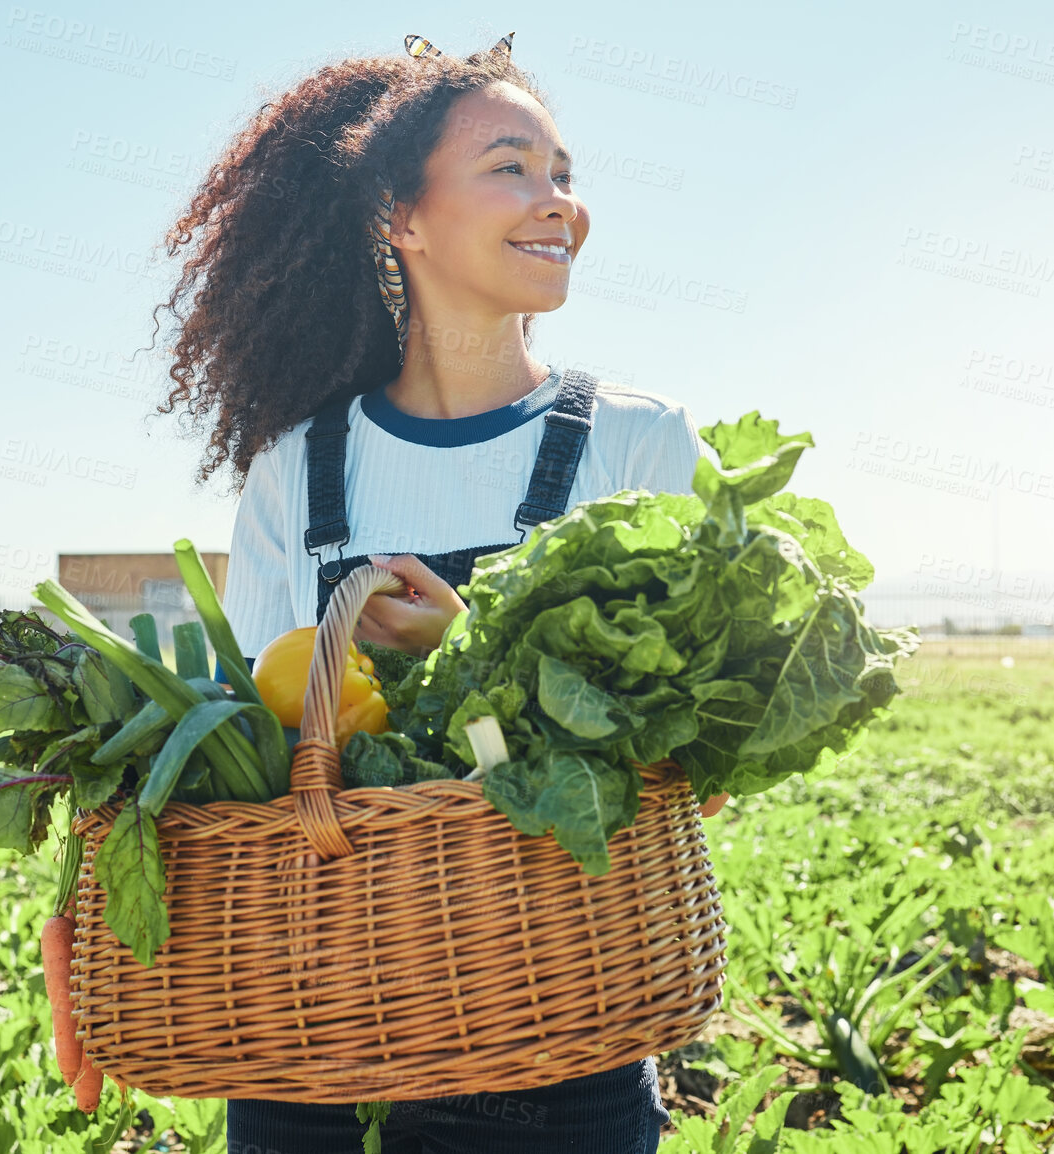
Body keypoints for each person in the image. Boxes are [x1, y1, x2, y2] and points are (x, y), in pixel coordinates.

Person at [155, 29, 726, 1153]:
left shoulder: (640, 444)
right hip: (303, 1043)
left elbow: (693, 769)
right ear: (397, 219)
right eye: (512, 166)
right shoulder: (299, 465)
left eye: (565, 174)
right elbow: (266, 773)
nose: (558, 201)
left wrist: (473, 662)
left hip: (560, 1035)